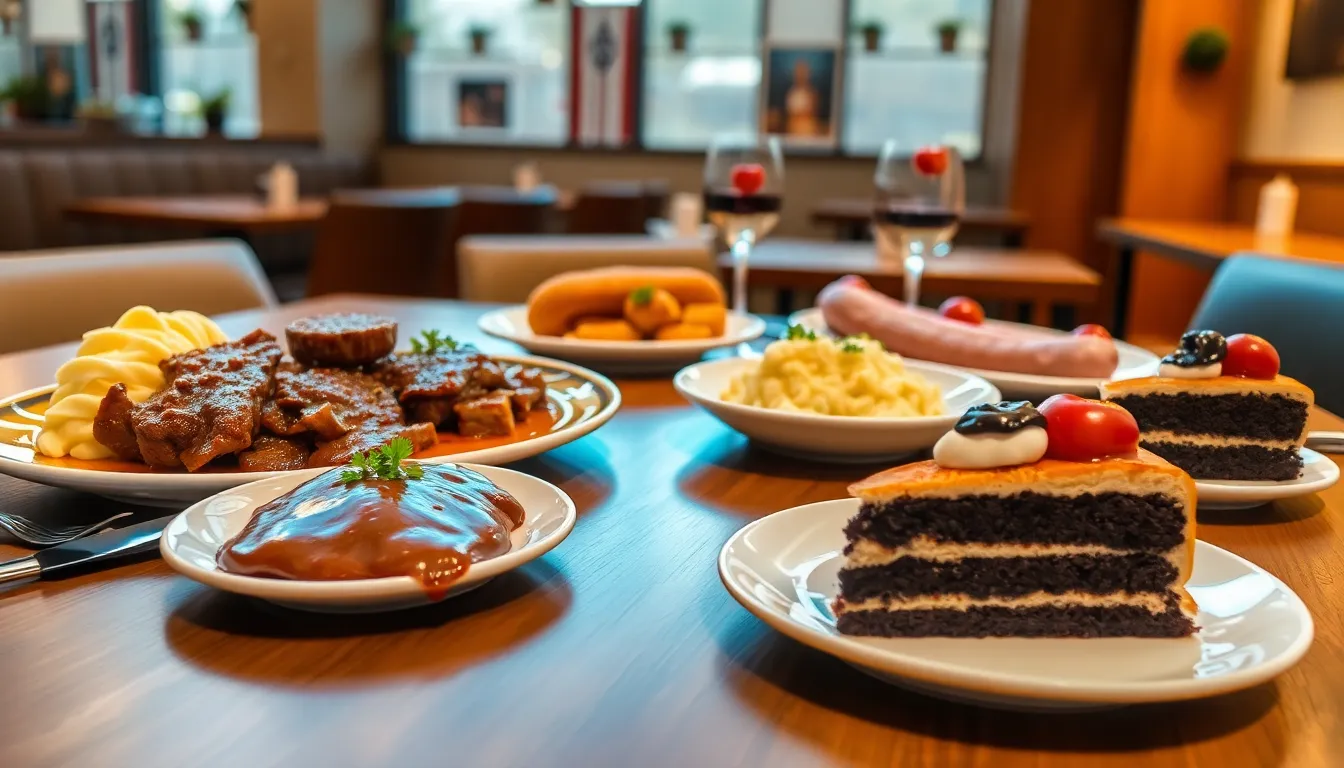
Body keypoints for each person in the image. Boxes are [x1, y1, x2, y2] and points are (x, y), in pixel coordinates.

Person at [784, 58, 821, 137]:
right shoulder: (791, 93)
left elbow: (813, 112)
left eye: (803, 72)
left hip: (808, 131)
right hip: (794, 131)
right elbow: (790, 114)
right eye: (798, 72)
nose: (800, 75)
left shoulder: (812, 93)